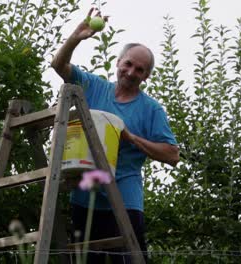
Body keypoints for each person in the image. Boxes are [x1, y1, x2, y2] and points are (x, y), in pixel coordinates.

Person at [51, 7, 180, 263]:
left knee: (130, 258)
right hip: (85, 193)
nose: (131, 72)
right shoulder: (94, 86)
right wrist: (77, 35)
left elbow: (173, 155)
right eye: (128, 64)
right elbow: (58, 65)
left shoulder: (151, 109)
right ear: (118, 63)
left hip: (125, 196)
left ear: (146, 76)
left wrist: (132, 138)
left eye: (140, 70)